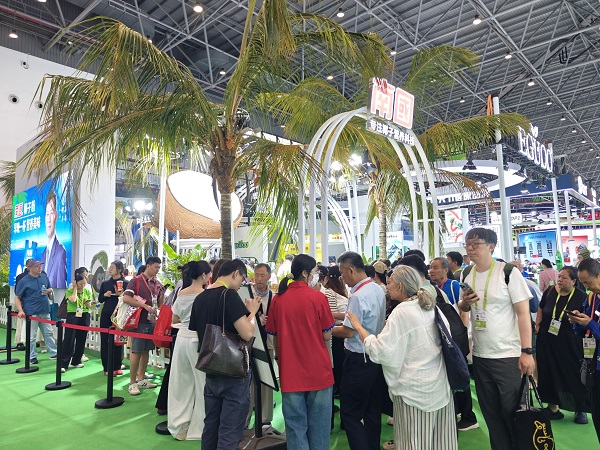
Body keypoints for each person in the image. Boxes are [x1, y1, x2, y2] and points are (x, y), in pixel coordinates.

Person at [347, 265, 458, 449]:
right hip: (439, 387)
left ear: (400, 286)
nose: (387, 286)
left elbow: (380, 351)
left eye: (390, 282)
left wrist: (359, 327)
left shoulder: (403, 311)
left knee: (413, 443)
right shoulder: (430, 306)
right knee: (439, 442)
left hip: (414, 393)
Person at [457, 228, 535, 450]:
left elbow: (523, 314)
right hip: (481, 355)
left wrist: (527, 351)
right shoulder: (466, 274)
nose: (470, 248)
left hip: (508, 355)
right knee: (491, 415)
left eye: (476, 244)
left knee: (513, 413)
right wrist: (465, 303)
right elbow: (463, 308)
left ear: (491, 246)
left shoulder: (508, 272)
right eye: (467, 244)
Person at [189, 259, 261, 450]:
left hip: (211, 369)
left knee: (211, 427)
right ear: (235, 273)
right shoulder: (229, 295)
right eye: (242, 279)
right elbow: (247, 333)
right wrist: (252, 312)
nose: (241, 284)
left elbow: (198, 331)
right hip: (233, 371)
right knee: (229, 431)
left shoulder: (201, 297)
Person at [265, 254, 335, 450]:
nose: (316, 275)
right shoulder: (318, 298)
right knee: (319, 426)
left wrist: (279, 357)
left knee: (295, 426)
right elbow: (327, 335)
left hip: (290, 371)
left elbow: (274, 335)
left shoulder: (278, 299)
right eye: (314, 272)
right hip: (318, 370)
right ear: (305, 273)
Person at [333, 251, 386, 450]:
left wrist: (324, 330)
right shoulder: (376, 288)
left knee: (350, 413)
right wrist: (333, 314)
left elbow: (348, 331)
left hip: (358, 359)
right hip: (374, 356)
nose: (341, 278)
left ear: (351, 270)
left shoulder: (357, 295)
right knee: (372, 410)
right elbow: (357, 315)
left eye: (342, 273)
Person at [535, 265, 589, 423]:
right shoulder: (550, 291)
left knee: (573, 373)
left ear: (573, 281)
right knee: (548, 372)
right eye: (559, 276)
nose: (559, 280)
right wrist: (538, 324)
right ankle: (552, 408)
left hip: (569, 342)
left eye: (564, 278)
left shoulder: (581, 296)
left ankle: (580, 409)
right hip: (547, 340)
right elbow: (541, 308)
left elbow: (585, 319)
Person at [168, 260, 212, 440]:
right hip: (198, 341)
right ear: (203, 275)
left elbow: (174, 318)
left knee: (180, 383)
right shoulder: (206, 295)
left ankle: (179, 426)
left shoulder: (182, 292)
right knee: (202, 384)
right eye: (209, 274)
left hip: (182, 339)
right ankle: (200, 428)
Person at [123, 256, 165, 396]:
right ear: (148, 266)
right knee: (136, 351)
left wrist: (162, 294)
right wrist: (144, 306)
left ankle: (141, 379)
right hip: (138, 321)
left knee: (146, 350)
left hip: (151, 320)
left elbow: (159, 304)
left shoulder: (156, 283)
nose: (157, 270)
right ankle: (132, 382)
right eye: (156, 267)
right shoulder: (136, 281)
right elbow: (126, 298)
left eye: (159, 267)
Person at [569, 258, 600, 443]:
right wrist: (578, 321)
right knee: (597, 415)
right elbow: (584, 331)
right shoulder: (592, 298)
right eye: (584, 284)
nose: (587, 288)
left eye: (589, 283)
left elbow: (592, 325)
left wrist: (590, 324)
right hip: (594, 367)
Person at [246, 262, 278, 432]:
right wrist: (256, 318)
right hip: (249, 342)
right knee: (247, 382)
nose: (259, 279)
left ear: (269, 277)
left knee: (267, 380)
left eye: (262, 275)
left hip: (268, 343)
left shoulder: (274, 295)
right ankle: (244, 420)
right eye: (256, 275)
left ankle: (265, 419)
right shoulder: (247, 293)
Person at [13, 259, 57, 363]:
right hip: (31, 312)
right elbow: (17, 297)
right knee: (31, 336)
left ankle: (54, 353)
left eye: (40, 266)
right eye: (36, 266)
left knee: (49, 333)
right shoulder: (23, 281)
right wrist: (20, 310)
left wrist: (50, 291)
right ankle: (31, 356)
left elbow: (49, 290)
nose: (39, 268)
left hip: (45, 310)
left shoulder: (44, 277)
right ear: (29, 268)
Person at [317, 265, 348, 394]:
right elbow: (330, 317)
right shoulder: (330, 293)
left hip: (333, 335)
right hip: (333, 335)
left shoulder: (330, 293)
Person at [98, 261, 127, 375]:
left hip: (120, 315)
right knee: (105, 340)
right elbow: (100, 299)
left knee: (118, 341)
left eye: (112, 267)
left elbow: (129, 298)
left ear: (119, 270)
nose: (110, 269)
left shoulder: (126, 283)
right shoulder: (105, 283)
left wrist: (121, 295)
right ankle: (107, 367)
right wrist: (105, 295)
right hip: (106, 314)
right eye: (109, 267)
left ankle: (117, 366)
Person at [61, 274, 94, 372]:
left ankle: (76, 361)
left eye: (84, 283)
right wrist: (75, 288)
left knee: (82, 339)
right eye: (80, 284)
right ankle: (63, 364)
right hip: (73, 315)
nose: (83, 286)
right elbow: (73, 299)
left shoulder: (87, 291)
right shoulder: (70, 291)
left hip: (84, 314)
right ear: (75, 283)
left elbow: (89, 305)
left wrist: (89, 303)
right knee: (69, 339)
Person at [40, 190, 68, 289]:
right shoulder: (44, 253)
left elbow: (61, 286)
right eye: (47, 214)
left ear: (56, 215)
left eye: (51, 213)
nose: (48, 220)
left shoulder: (60, 251)